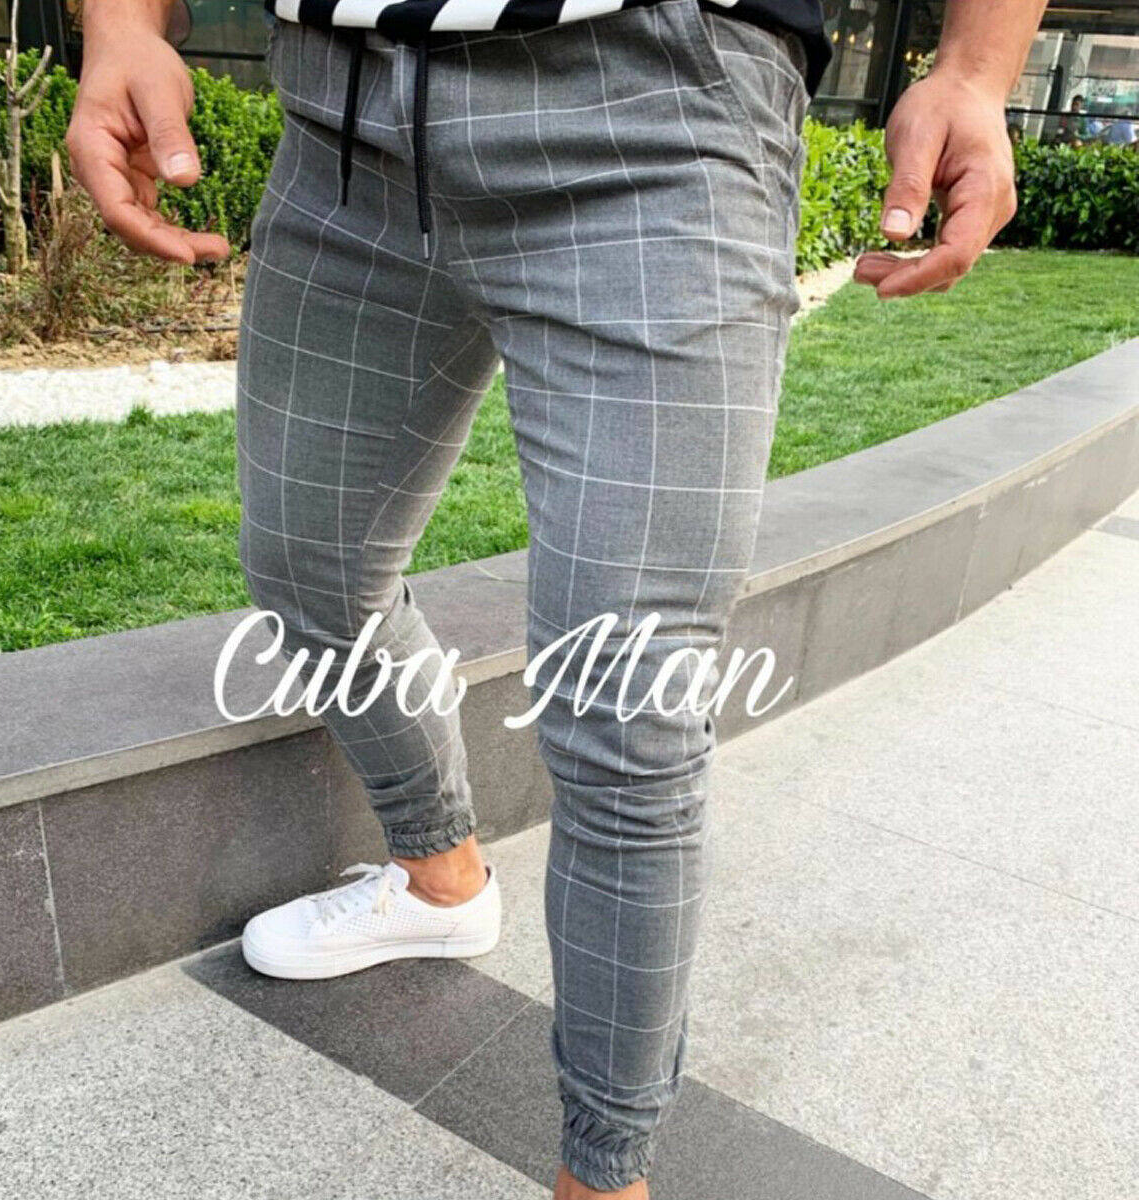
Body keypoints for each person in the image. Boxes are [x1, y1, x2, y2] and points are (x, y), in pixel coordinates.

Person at [68, 0, 1042, 1195]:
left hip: (659, 119)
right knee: (309, 572)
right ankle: (438, 876)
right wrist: (121, 21)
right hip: (343, 123)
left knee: (626, 707)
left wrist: (976, 67)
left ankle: (605, 1171)